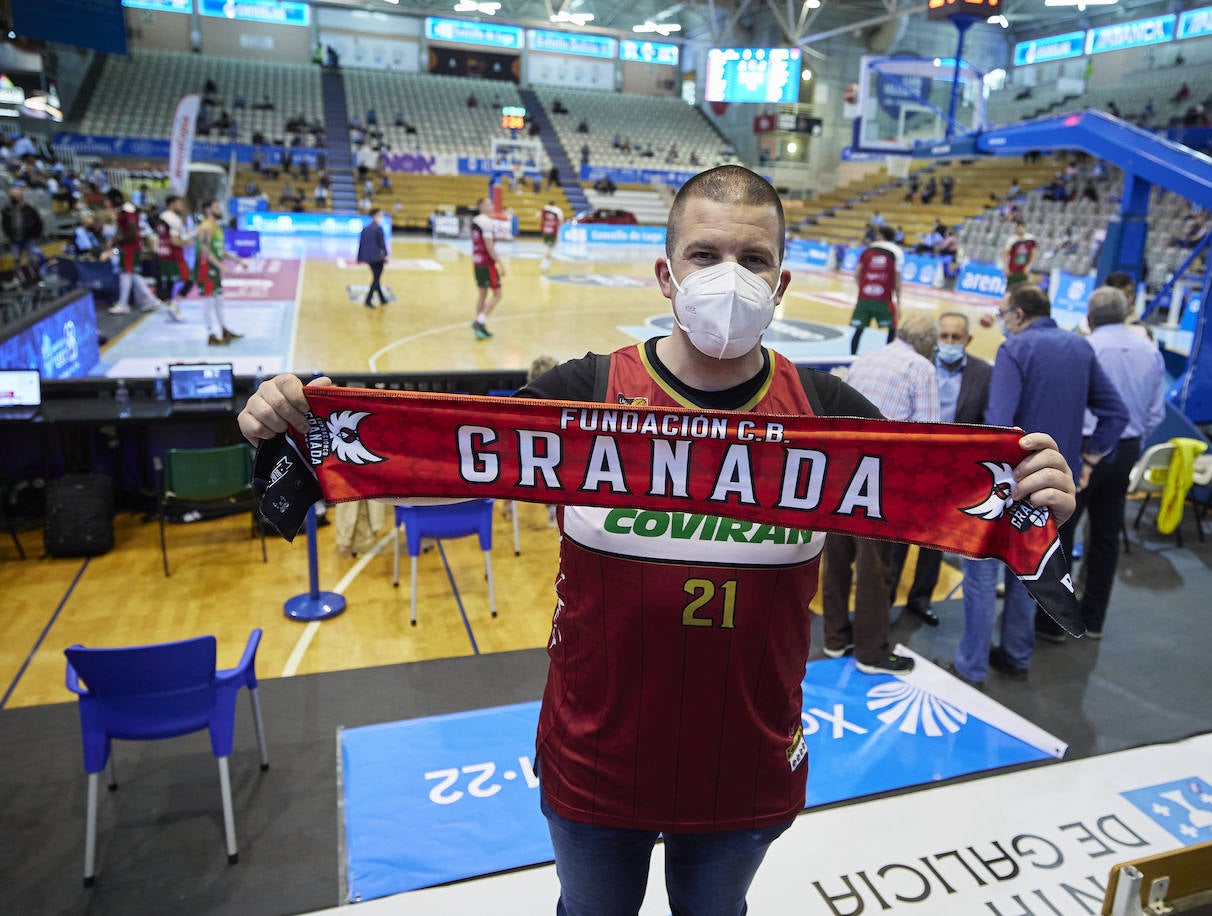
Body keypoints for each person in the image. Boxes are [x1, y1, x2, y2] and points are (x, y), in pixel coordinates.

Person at [236, 164, 1078, 916]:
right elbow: (441, 456)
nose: (728, 277)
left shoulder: (833, 417)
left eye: (752, 260)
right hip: (595, 755)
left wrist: (1037, 503)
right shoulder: (584, 393)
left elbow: (956, 506)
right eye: (705, 255)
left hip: (747, 760)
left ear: (781, 283)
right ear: (666, 273)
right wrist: (305, 428)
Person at [950, 284, 1127, 686]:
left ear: (1018, 314)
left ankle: (970, 667)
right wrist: (1089, 458)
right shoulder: (1080, 347)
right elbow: (1116, 413)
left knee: (980, 576)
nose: (1002, 320)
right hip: (1057, 484)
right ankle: (1017, 657)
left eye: (1003, 313)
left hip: (1011, 483)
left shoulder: (1015, 348)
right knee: (1031, 572)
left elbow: (999, 424)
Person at [1039, 287, 1164, 643]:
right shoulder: (1151, 351)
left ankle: (1054, 623)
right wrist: (1131, 444)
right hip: (1126, 447)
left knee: (1061, 533)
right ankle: (1093, 620)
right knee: (1107, 536)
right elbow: (1156, 413)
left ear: (1089, 318)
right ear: (1125, 314)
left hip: (1084, 449)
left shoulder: (1084, 348)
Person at [822, 314, 939, 674]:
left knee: (837, 559)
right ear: (928, 344)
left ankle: (834, 639)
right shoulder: (921, 368)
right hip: (880, 475)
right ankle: (871, 653)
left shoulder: (867, 358)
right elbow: (928, 436)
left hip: (840, 468)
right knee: (874, 567)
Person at [891, 312, 992, 627]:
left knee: (935, 540)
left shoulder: (983, 373)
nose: (948, 342)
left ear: (968, 340)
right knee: (897, 538)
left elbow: (987, 422)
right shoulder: (917, 365)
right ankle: (886, 596)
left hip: (952, 469)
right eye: (943, 336)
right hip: (913, 465)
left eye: (955, 337)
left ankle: (920, 599)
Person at [195, 198, 246, 346]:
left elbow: (220, 250)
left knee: (219, 300)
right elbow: (205, 251)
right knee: (207, 300)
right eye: (216, 207)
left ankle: (224, 329)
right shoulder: (205, 227)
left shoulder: (216, 227)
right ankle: (210, 334)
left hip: (214, 268)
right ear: (208, 210)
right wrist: (221, 266)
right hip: (205, 268)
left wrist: (237, 260)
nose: (220, 210)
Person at [850, 225, 903, 355]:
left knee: (858, 330)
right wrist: (899, 304)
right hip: (884, 300)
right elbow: (897, 281)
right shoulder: (897, 252)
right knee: (892, 329)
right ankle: (888, 357)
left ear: (881, 235)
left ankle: (851, 357)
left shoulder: (867, 250)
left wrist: (863, 288)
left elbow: (856, 275)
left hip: (864, 298)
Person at [108, 194, 162, 316]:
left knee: (126, 274)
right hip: (128, 248)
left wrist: (117, 241)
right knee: (133, 275)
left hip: (129, 249)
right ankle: (152, 300)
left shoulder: (127, 212)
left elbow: (132, 232)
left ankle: (123, 304)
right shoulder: (126, 211)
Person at [153, 195, 192, 321]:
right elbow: (174, 241)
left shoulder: (161, 217)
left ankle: (170, 310)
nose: (182, 206)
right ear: (172, 204)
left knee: (169, 283)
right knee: (190, 279)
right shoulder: (174, 219)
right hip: (174, 256)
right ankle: (175, 305)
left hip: (162, 254)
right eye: (179, 203)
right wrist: (187, 242)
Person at [470, 197, 504, 339]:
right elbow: (489, 246)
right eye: (489, 204)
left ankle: (480, 327)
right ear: (481, 206)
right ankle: (479, 321)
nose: (492, 206)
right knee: (498, 294)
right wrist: (500, 263)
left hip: (477, 261)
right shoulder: (486, 222)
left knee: (482, 294)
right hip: (486, 263)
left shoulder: (475, 221)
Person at [2, 185, 47, 273]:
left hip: (28, 238)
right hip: (14, 239)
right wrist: (8, 234)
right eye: (11, 197)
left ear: (20, 197)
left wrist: (35, 234)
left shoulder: (29, 209)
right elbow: (5, 224)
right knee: (16, 259)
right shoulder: (7, 210)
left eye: (15, 197)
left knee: (32, 258)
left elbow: (38, 222)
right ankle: (19, 276)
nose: (13, 199)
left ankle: (35, 274)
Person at [357, 208, 388, 308]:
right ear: (374, 216)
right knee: (376, 279)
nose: (382, 217)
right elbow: (382, 245)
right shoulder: (378, 228)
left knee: (376, 277)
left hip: (369, 258)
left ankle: (382, 299)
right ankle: (368, 300)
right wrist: (385, 256)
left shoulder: (365, 228)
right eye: (380, 215)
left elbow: (361, 244)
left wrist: (360, 257)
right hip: (378, 258)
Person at [539, 200, 563, 274]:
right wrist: (557, 234)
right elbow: (560, 221)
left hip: (545, 231)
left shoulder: (544, 209)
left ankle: (547, 267)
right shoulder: (557, 211)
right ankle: (543, 266)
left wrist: (543, 225)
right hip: (552, 232)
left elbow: (537, 217)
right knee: (549, 250)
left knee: (549, 249)